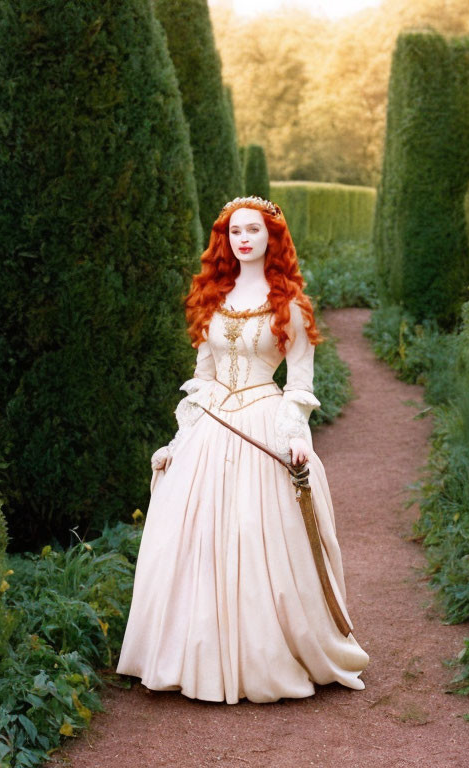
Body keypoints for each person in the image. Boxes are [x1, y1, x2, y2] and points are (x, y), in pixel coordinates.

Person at [116, 196, 369, 704]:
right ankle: (191, 659)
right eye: (235, 232)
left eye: (253, 230)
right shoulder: (213, 295)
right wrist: (180, 438)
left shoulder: (290, 304)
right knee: (190, 538)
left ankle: (265, 656)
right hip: (211, 426)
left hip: (262, 421)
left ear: (272, 238)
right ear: (225, 240)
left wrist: (294, 437)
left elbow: (299, 384)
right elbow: (202, 378)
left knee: (257, 535)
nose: (244, 239)